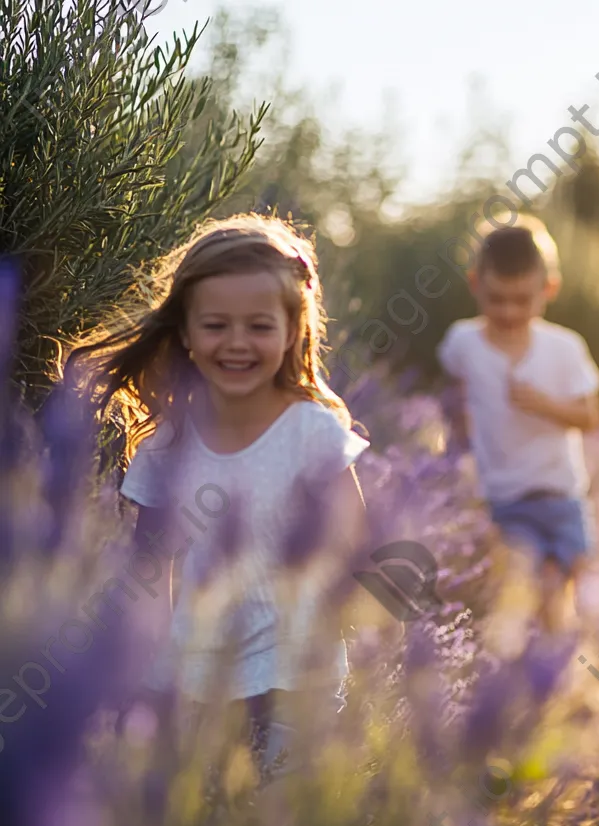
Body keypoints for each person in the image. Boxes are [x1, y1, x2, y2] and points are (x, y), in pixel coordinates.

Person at [65, 214, 372, 776]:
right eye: (216, 325)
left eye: (259, 326)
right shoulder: (169, 446)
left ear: (292, 330)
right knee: (199, 824)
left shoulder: (313, 433)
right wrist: (145, 672)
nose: (237, 343)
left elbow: (351, 541)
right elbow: (150, 570)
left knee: (271, 823)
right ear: (184, 331)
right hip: (198, 677)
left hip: (297, 673)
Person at [438, 217, 599, 642]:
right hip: (504, 499)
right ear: (475, 284)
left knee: (560, 599)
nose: (509, 312)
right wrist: (452, 451)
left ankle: (556, 680)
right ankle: (531, 681)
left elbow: (590, 417)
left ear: (548, 289)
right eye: (497, 300)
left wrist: (543, 404)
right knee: (522, 592)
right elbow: (453, 398)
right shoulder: (463, 343)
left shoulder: (565, 348)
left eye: (521, 300)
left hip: (562, 497)